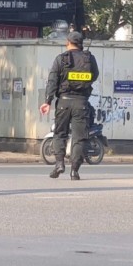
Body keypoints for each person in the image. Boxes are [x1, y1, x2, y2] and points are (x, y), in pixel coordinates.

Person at [39, 31, 99, 180]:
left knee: (60, 133)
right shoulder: (89, 59)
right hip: (81, 103)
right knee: (79, 137)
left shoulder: (61, 59)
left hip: (63, 102)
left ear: (68, 42)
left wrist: (47, 101)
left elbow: (52, 81)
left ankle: (59, 163)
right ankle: (75, 171)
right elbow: (95, 75)